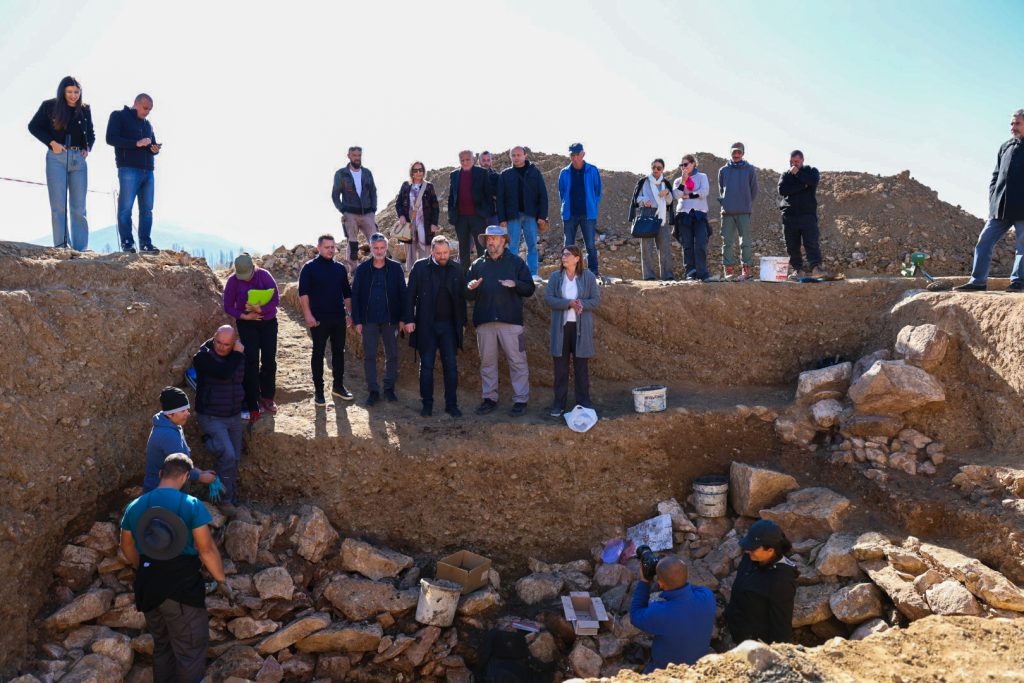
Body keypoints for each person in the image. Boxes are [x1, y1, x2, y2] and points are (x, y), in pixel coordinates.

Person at [120, 453, 235, 683]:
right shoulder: (190, 505)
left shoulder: (135, 505)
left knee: (163, 647)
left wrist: (141, 567)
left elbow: (126, 545)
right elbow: (206, 550)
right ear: (185, 477)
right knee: (190, 651)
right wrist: (221, 580)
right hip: (181, 589)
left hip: (148, 586)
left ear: (160, 474)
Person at [465, 225, 536, 416]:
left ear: (504, 241)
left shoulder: (516, 263)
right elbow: (467, 294)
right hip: (485, 321)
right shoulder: (477, 264)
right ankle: (489, 398)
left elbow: (529, 288)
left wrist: (516, 284)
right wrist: (470, 287)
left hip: (511, 322)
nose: (490, 242)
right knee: (487, 363)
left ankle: (520, 400)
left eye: (494, 238)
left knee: (517, 362)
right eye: (488, 239)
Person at [955, 109, 1024, 292]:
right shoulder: (1005, 147)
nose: (1013, 127)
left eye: (1017, 123)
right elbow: (996, 175)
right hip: (1000, 207)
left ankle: (1018, 282)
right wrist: (993, 198)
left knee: (1022, 247)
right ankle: (978, 282)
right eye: (1011, 123)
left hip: (1022, 208)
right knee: (984, 241)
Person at [27, 75, 95, 251]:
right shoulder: (49, 106)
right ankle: (62, 245)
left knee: (79, 207)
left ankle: (81, 248)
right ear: (63, 92)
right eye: (69, 92)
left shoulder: (85, 109)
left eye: (76, 92)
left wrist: (88, 147)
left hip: (78, 160)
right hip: (56, 158)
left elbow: (91, 133)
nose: (73, 96)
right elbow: (33, 126)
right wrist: (51, 143)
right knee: (58, 206)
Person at [403, 234, 467, 417]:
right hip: (426, 325)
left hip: (449, 327)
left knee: (451, 367)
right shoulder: (420, 267)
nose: (443, 256)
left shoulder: (456, 269)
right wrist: (409, 319)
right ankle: (427, 405)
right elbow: (410, 296)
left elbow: (461, 299)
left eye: (445, 252)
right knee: (426, 367)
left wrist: (462, 323)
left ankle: (451, 405)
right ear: (431, 251)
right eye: (439, 253)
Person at [630, 556, 716, 672]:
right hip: (697, 667)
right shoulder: (707, 595)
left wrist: (644, 581)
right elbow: (686, 587)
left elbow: (635, 615)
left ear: (660, 584)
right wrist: (670, 572)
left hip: (667, 671)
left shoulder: (660, 612)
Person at [544, 245, 600, 417]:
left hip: (580, 329)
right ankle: (559, 404)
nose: (564, 257)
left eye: (567, 254)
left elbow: (596, 300)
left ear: (577, 258)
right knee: (560, 369)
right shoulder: (555, 277)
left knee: (581, 368)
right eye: (563, 254)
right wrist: (568, 304)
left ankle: (583, 403)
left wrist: (581, 304)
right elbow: (549, 299)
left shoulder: (588, 277)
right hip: (561, 329)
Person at [192, 325, 245, 505]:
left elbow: (244, 380)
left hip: (234, 415)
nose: (221, 347)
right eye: (218, 342)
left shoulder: (238, 355)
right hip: (211, 415)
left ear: (234, 343)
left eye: (226, 344)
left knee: (235, 458)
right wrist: (237, 354)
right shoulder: (202, 357)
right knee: (228, 455)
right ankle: (224, 502)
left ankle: (230, 497)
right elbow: (224, 373)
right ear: (214, 338)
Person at [298, 234, 354, 405]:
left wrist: (350, 313)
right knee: (318, 353)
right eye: (327, 247)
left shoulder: (340, 268)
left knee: (339, 352)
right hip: (318, 319)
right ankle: (319, 391)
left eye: (332, 247)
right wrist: (308, 315)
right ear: (319, 248)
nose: (330, 250)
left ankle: (338, 386)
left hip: (338, 317)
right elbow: (303, 293)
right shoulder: (309, 268)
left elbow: (347, 293)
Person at [223, 253, 281, 419]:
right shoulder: (233, 281)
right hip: (247, 324)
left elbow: (276, 300)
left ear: (253, 267)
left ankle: (267, 397)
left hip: (268, 323)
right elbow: (228, 306)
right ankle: (253, 399)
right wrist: (245, 316)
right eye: (242, 276)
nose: (246, 279)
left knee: (269, 359)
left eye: (248, 275)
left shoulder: (264, 275)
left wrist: (260, 309)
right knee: (251, 361)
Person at [351, 233, 407, 405]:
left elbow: (403, 294)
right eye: (376, 248)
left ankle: (389, 388)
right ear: (371, 248)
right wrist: (357, 321)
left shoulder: (396, 268)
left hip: (391, 319)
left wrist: (403, 318)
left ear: (386, 248)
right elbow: (355, 296)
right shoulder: (362, 270)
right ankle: (373, 391)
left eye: (382, 247)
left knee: (392, 355)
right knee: (369, 356)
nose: (379, 251)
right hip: (369, 320)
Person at [724, 519, 798, 645]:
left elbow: (781, 626)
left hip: (754, 644)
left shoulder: (781, 581)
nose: (747, 551)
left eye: (753, 548)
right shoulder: (751, 557)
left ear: (770, 550)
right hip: (736, 627)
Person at [106, 94, 162, 253]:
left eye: (150, 109)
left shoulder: (148, 125)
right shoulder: (119, 116)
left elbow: (151, 145)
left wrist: (155, 149)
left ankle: (145, 244)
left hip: (148, 171)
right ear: (136, 103)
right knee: (125, 208)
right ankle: (127, 243)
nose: (147, 112)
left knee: (147, 210)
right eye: (145, 108)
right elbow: (110, 138)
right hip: (128, 169)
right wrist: (136, 143)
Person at [144, 387, 216, 494]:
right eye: (183, 411)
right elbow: (179, 468)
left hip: (169, 491)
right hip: (161, 495)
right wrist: (201, 477)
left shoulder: (173, 425)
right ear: (170, 414)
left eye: (187, 409)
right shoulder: (168, 434)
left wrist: (201, 472)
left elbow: (182, 460)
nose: (188, 413)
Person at [497, 146, 549, 281]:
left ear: (525, 156)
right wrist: (502, 218)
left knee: (532, 245)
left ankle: (533, 274)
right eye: (513, 155)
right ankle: (513, 274)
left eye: (518, 155)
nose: (516, 158)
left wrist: (542, 216)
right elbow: (500, 198)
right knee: (512, 247)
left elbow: (543, 195)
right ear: (510, 157)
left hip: (530, 215)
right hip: (512, 216)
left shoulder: (534, 172)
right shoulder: (505, 174)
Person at [778, 150, 829, 280]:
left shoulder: (811, 171)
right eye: (791, 161)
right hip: (789, 215)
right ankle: (798, 270)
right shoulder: (786, 175)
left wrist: (798, 174)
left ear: (802, 160)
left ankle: (816, 268)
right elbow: (782, 190)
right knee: (792, 245)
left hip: (807, 215)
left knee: (811, 242)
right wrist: (803, 186)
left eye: (796, 161)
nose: (793, 164)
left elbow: (813, 181)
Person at [558, 143, 603, 279]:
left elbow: (597, 191)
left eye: (578, 154)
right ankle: (568, 273)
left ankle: (593, 273)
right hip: (570, 214)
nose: (575, 157)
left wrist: (592, 205)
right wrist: (566, 206)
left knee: (590, 245)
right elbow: (562, 192)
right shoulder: (564, 172)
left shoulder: (592, 170)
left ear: (583, 154)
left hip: (587, 214)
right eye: (572, 154)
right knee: (568, 245)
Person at [717, 142, 759, 280]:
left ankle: (746, 270)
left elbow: (754, 189)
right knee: (727, 242)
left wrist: (746, 202)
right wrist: (726, 203)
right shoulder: (723, 170)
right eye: (734, 152)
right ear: (730, 153)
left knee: (745, 241)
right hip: (727, 212)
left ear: (743, 153)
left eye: (739, 152)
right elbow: (721, 189)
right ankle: (729, 270)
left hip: (744, 212)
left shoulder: (749, 169)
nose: (736, 155)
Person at [331, 146, 378, 266]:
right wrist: (343, 211)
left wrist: (373, 210)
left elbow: (373, 191)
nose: (357, 158)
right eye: (354, 155)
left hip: (367, 213)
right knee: (352, 244)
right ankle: (353, 271)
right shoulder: (341, 174)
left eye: (359, 155)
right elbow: (335, 195)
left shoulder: (367, 173)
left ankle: (378, 267)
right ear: (349, 156)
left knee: (376, 241)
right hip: (350, 213)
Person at [629, 158, 675, 281]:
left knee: (664, 246)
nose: (656, 170)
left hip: (661, 215)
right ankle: (649, 276)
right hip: (647, 212)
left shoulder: (666, 183)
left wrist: (667, 193)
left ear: (663, 169)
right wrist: (644, 200)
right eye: (654, 167)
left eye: (658, 168)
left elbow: (670, 202)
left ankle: (667, 275)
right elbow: (636, 199)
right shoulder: (644, 181)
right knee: (646, 247)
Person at [448, 150, 492, 271]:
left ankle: (482, 273)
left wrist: (486, 213)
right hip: (460, 218)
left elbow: (488, 195)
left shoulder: (482, 172)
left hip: (478, 217)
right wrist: (451, 215)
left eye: (468, 159)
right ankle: (465, 276)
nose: (465, 162)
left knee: (481, 247)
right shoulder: (454, 175)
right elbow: (451, 196)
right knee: (463, 249)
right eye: (462, 160)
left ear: (473, 160)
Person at [673, 155, 712, 281]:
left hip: (699, 214)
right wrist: (683, 181)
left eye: (685, 164)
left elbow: (704, 192)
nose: (683, 167)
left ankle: (702, 272)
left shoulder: (702, 177)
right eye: (681, 165)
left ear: (693, 163)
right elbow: (676, 195)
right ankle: (690, 272)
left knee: (701, 243)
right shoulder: (678, 181)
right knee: (687, 245)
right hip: (683, 214)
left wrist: (688, 196)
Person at [395, 161, 440, 272]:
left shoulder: (429, 186)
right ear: (412, 172)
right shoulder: (406, 186)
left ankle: (425, 274)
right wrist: (401, 216)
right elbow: (398, 203)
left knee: (425, 251)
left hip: (425, 225)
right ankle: (412, 275)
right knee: (410, 253)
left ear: (424, 171)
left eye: (421, 170)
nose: (418, 172)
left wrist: (434, 223)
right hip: (409, 224)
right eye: (415, 170)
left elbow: (435, 206)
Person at [477, 150, 500, 226]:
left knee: (494, 234)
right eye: (483, 160)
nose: (486, 163)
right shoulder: (472, 176)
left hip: (493, 216)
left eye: (488, 160)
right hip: (476, 216)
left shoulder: (497, 177)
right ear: (479, 161)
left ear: (491, 161)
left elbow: (499, 195)